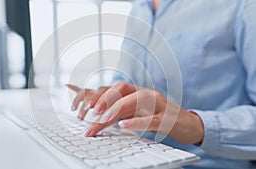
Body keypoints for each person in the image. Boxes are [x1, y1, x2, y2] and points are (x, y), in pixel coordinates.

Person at [67, 0, 256, 168]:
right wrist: (106, 99)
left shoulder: (241, 5)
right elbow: (124, 81)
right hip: (132, 153)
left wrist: (198, 126)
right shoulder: (139, 8)